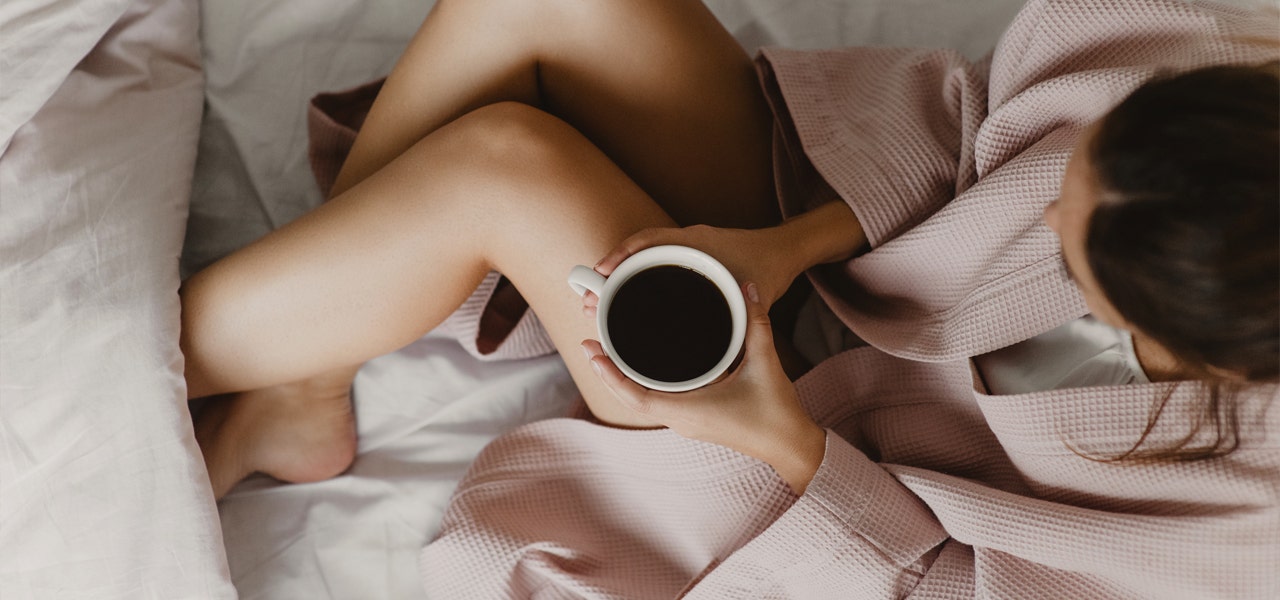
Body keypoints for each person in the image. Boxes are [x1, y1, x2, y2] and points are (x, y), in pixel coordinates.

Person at [183, 0, 1279, 595]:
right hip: (839, 259)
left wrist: (772, 435)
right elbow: (974, 158)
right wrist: (777, 244)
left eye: (1076, 263)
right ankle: (307, 382)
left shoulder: (1247, 531)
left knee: (504, 165)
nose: (1039, 222)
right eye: (1068, 189)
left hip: (810, 471)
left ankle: (110, 379)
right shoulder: (1223, 79)